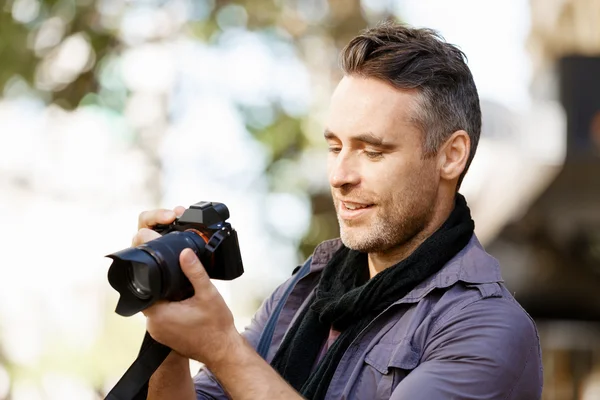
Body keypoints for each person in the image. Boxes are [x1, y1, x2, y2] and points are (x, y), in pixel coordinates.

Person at [132, 22, 543, 399]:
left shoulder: (486, 329)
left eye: (373, 151)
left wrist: (224, 348)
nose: (340, 175)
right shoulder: (305, 290)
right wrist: (172, 319)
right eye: (334, 147)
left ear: (451, 156)